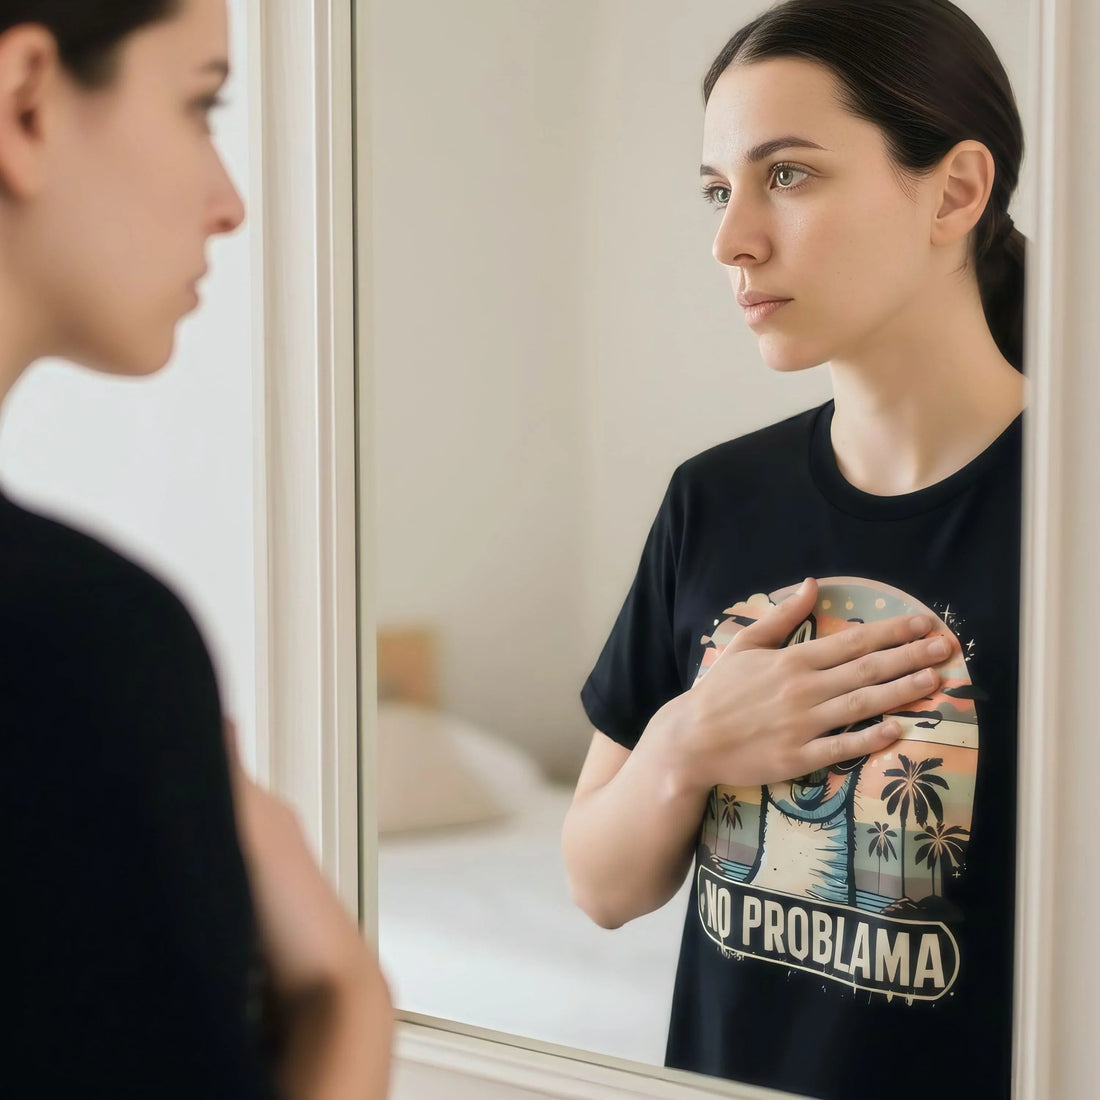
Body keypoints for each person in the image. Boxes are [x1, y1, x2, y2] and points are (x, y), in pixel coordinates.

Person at [562, 1, 1025, 1097]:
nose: (729, 240)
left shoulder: (1073, 509)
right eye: (719, 189)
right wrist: (687, 741)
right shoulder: (713, 499)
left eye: (788, 175)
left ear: (955, 190)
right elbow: (601, 884)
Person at [0, 2, 392, 1096]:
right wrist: (347, 997)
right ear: (26, 99)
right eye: (200, 101)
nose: (231, 203)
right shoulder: (76, 643)